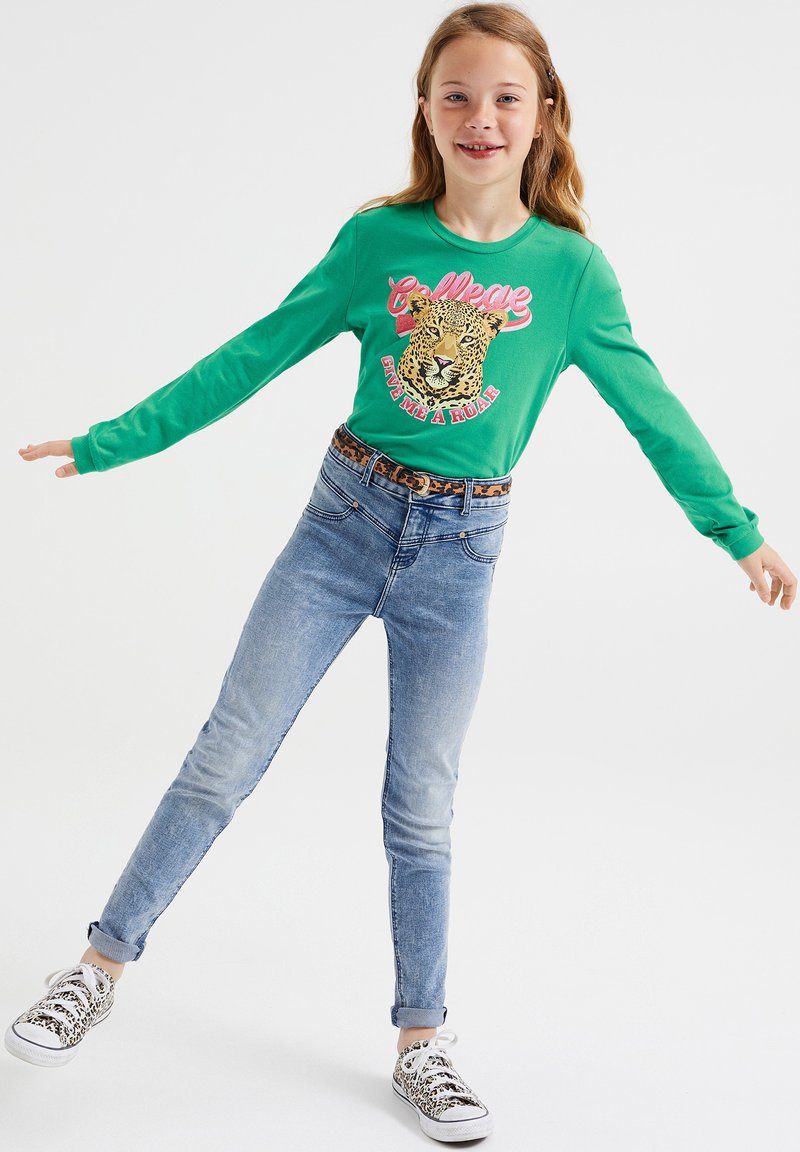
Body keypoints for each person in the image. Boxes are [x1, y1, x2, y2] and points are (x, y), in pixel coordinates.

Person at [7, 2, 795, 1143]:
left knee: (420, 806)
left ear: (544, 114)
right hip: (340, 527)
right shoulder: (377, 242)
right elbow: (254, 352)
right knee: (225, 757)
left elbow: (653, 412)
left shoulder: (571, 272)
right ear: (425, 111)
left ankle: (421, 1043)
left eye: (505, 97)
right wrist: (111, 441)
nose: (481, 117)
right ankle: (96, 968)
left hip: (459, 559)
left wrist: (736, 532)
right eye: (456, 95)